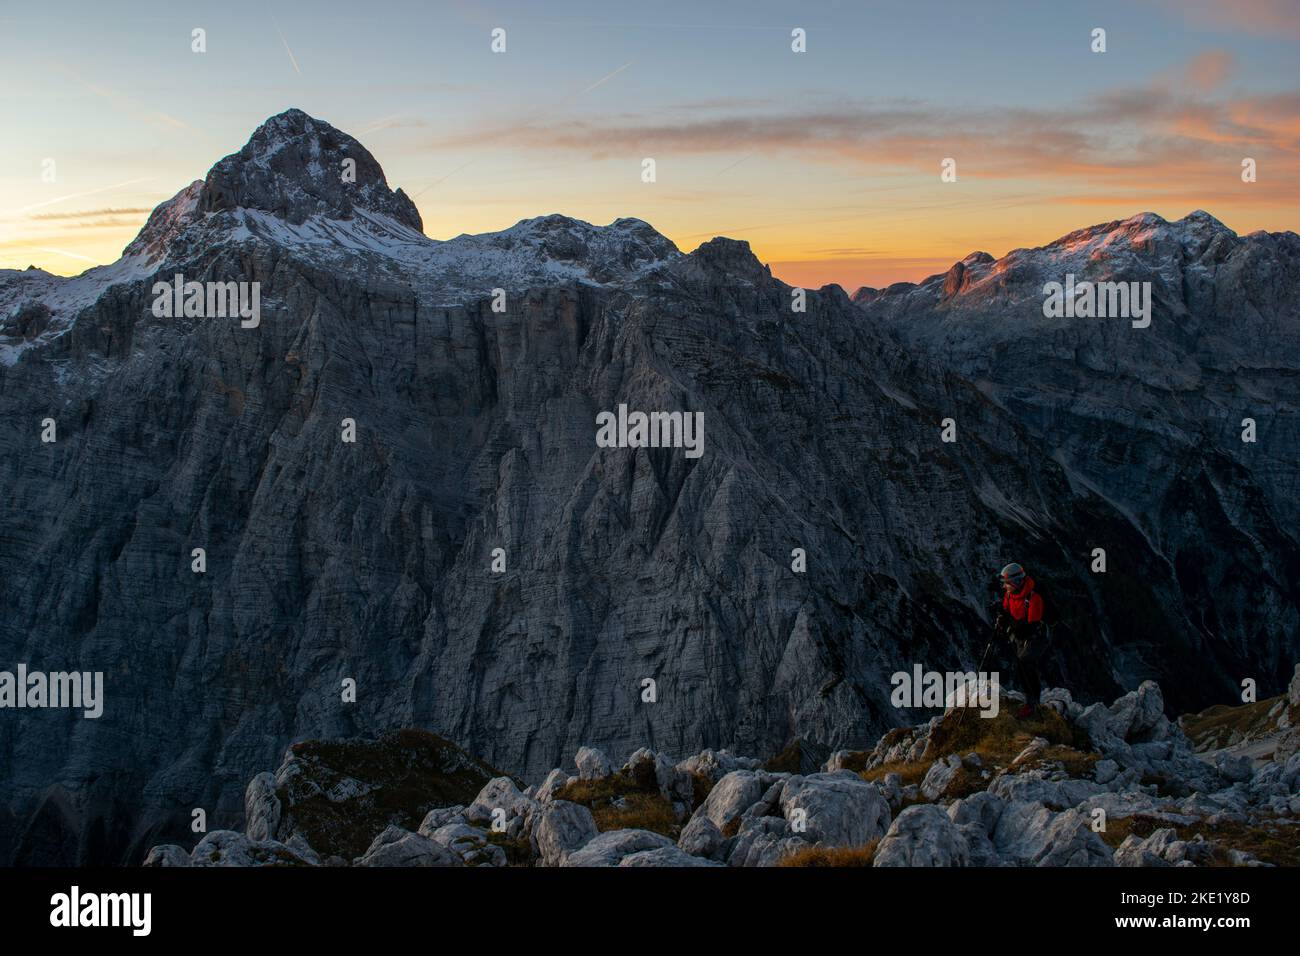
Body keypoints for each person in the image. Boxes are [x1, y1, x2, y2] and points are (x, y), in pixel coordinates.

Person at [994, 562, 1047, 719]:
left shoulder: (1034, 598)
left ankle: (1033, 704)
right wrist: (1002, 617)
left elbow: (1029, 628)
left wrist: (1008, 625)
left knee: (1025, 664)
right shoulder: (1011, 594)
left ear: (1016, 582)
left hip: (1036, 638)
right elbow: (1005, 610)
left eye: (1007, 584)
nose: (1004, 587)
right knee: (1022, 665)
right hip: (1022, 637)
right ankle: (1031, 702)